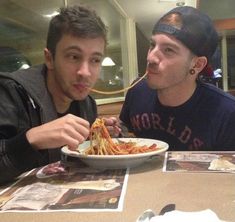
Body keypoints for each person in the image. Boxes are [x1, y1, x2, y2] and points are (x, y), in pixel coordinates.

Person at [0, 5, 119, 184]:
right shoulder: (11, 92)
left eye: (95, 60)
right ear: (49, 58)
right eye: (73, 57)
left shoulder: (87, 105)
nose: (85, 72)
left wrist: (99, 134)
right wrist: (31, 139)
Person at [119, 6, 235, 151]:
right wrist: (114, 131)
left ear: (197, 64)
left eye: (168, 50)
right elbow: (124, 131)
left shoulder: (227, 113)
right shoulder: (137, 90)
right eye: (152, 45)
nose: (151, 57)